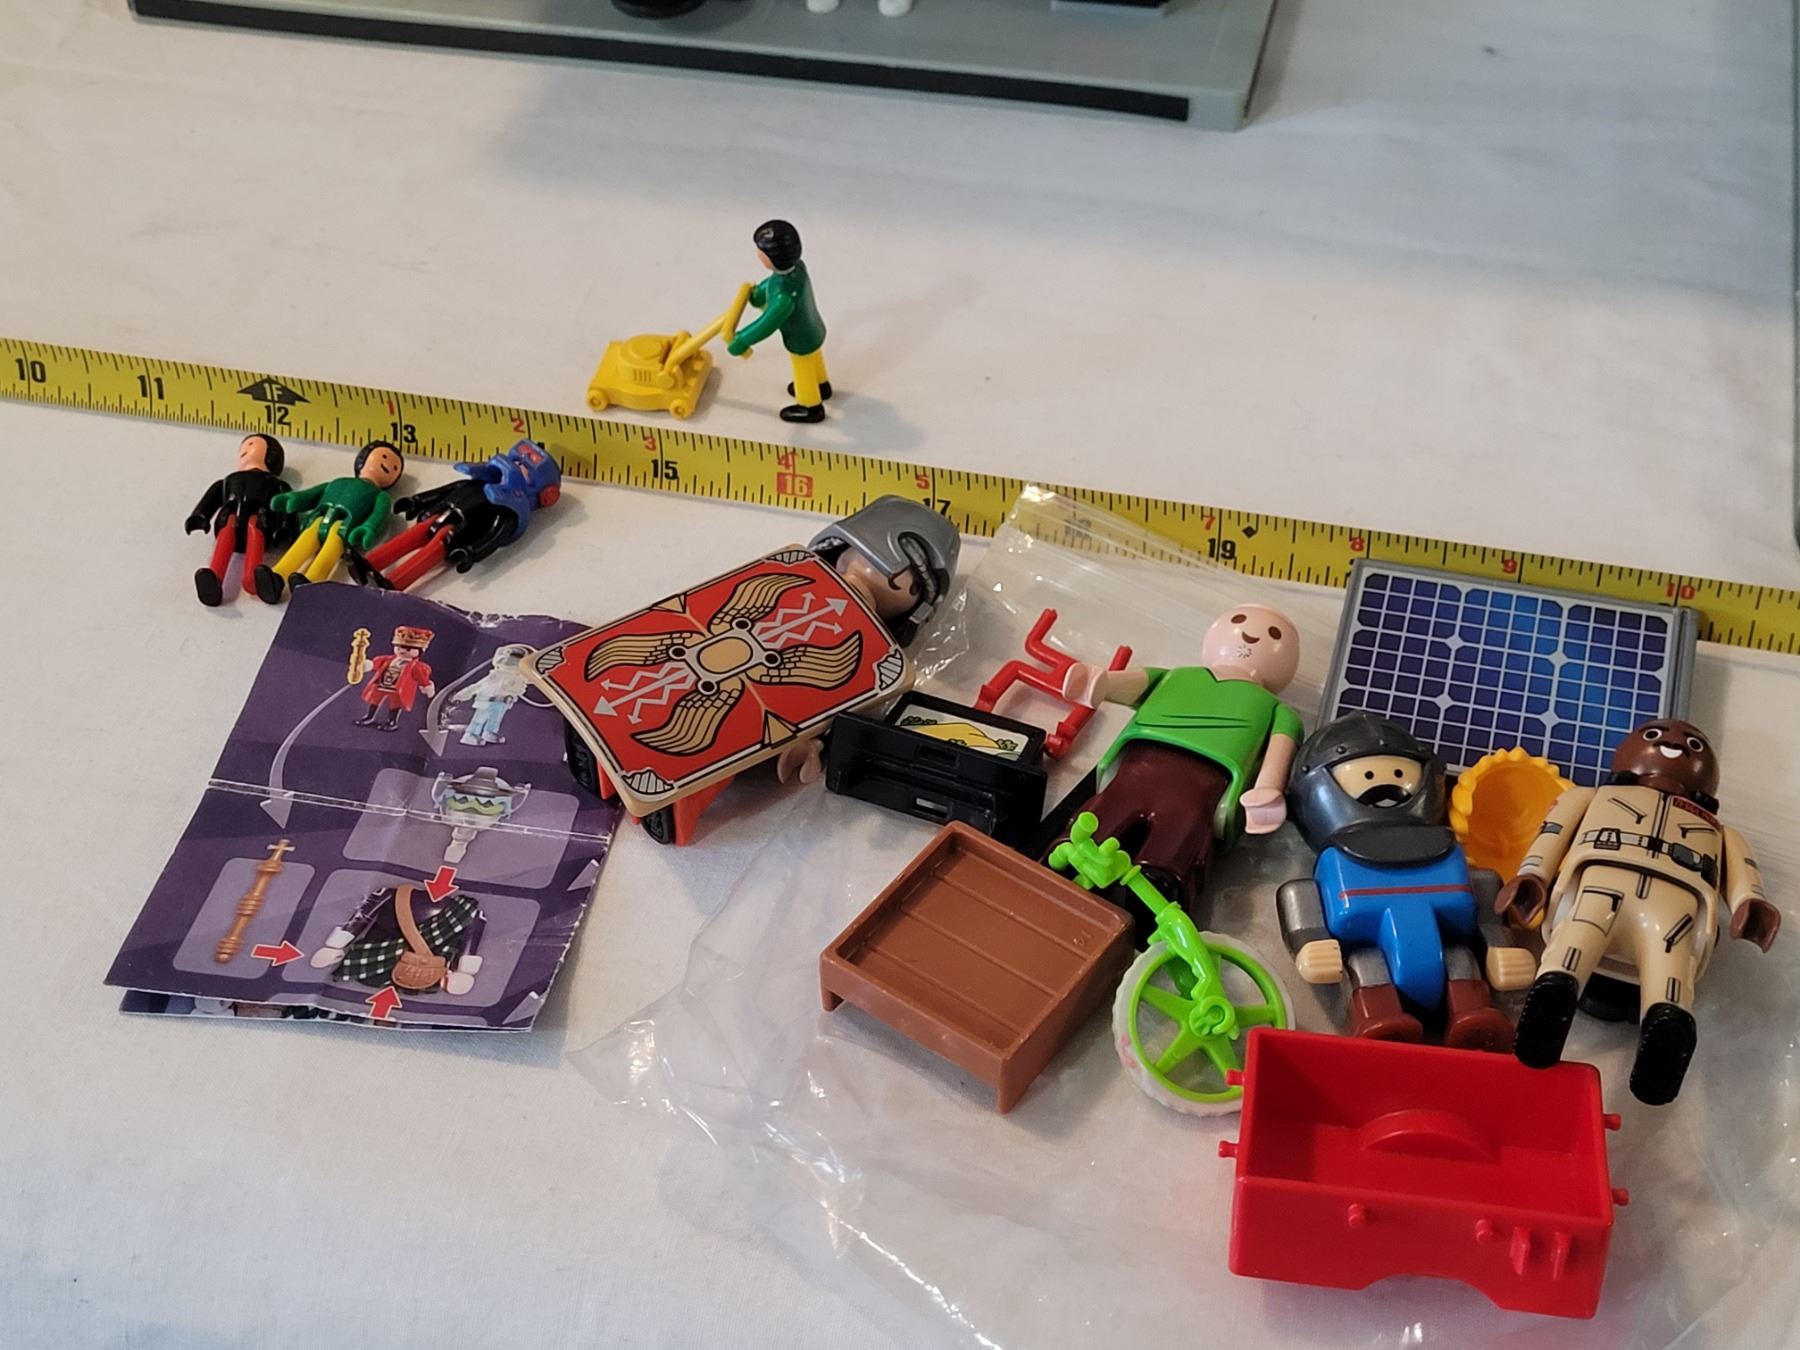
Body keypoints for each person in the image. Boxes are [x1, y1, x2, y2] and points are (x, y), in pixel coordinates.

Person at [1498, 718, 1777, 1105]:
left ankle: (1665, 1032)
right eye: (1655, 735)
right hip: (1598, 887)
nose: (1675, 743)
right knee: (1576, 939)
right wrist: (1533, 875)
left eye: (1694, 744)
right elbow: (1553, 833)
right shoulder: (1589, 797)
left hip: (1676, 910)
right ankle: (1551, 1003)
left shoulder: (1721, 831)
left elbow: (1744, 873)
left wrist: (1751, 902)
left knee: (1670, 968)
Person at [1279, 712, 1531, 1048]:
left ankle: (1473, 1016)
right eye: (1366, 776)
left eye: (1400, 773)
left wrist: (1500, 946)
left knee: (1461, 961)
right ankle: (1377, 1019)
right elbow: (1301, 897)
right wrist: (1310, 940)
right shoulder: (1336, 862)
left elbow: (1486, 898)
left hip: (1452, 947)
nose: (1386, 786)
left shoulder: (1447, 849)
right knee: (1367, 967)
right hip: (1368, 954)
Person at [1055, 605, 1303, 929]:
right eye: (1239, 621)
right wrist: (1097, 682)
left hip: (1204, 785)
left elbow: (1279, 752)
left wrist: (1267, 788)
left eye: (1273, 635)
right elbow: (1124, 684)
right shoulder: (1174, 676)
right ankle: (1066, 864)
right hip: (1137, 764)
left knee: (1175, 844)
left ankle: (1156, 891)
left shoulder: (1277, 711)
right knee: (1101, 819)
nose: (1252, 636)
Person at [254, 439, 404, 602]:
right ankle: (277, 575)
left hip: (344, 528)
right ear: (363, 459)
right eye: (383, 456)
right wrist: (293, 499)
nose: (387, 464)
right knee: (301, 545)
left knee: (330, 551)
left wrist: (368, 528)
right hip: (318, 520)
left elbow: (378, 517)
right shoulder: (338, 482)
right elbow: (312, 494)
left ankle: (312, 581)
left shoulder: (381, 497)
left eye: (395, 467)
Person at [726, 220, 832, 423]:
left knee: (802, 368)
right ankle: (821, 385)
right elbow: (774, 282)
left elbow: (767, 323)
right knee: (814, 358)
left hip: (799, 339)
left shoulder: (784, 299)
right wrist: (760, 293)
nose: (758, 255)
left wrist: (742, 340)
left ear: (773, 258)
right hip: (813, 328)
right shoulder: (798, 268)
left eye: (761, 253)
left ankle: (810, 405)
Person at [184, 433, 293, 606]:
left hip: (260, 522)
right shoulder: (228, 481)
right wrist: (200, 515)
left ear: (271, 455)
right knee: (226, 534)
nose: (244, 450)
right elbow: (211, 498)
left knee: (255, 532)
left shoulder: (276, 484)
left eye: (251, 445)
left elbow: (287, 505)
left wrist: (285, 527)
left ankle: (254, 580)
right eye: (243, 447)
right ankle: (214, 577)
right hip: (229, 519)